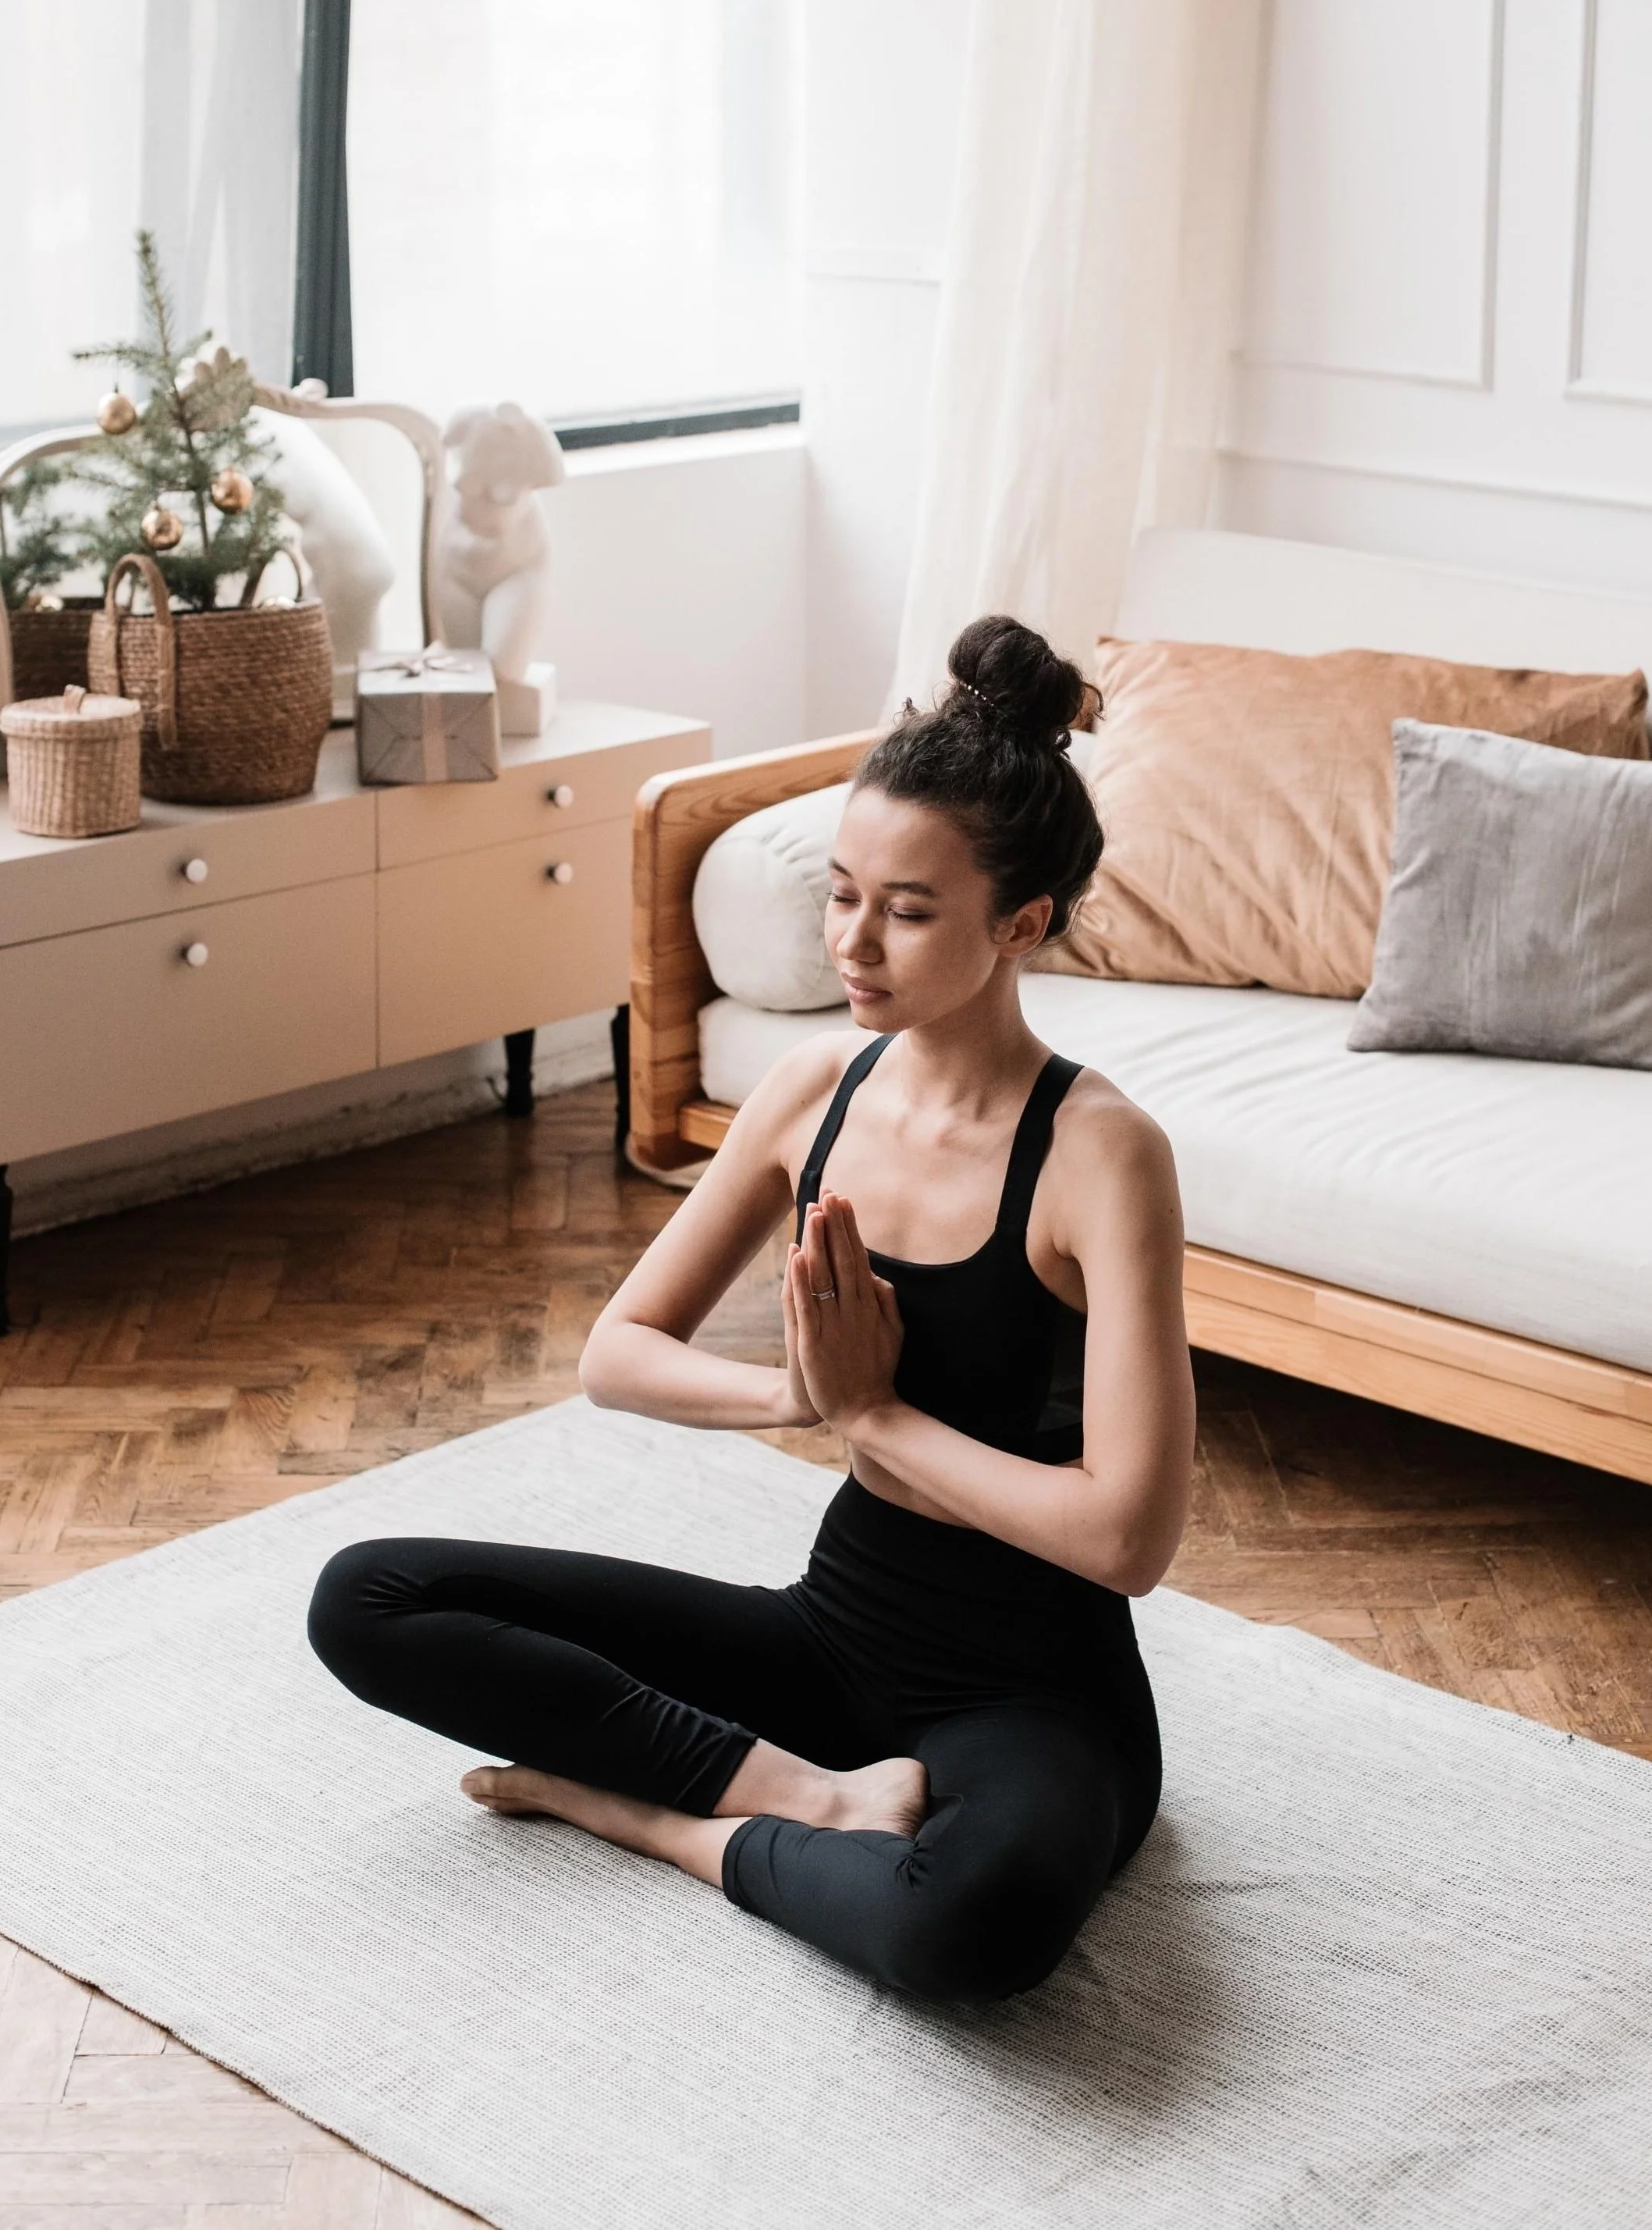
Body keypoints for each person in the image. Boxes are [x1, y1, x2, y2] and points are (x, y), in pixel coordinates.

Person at [307, 615, 1195, 2003]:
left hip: (1037, 1694)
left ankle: (657, 1815)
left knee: (974, 1929)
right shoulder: (810, 1093)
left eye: (907, 910)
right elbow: (618, 1355)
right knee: (368, 1596)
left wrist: (875, 1414)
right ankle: (798, 1793)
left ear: (1020, 923)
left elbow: (1128, 1537)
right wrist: (795, 1397)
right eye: (843, 892)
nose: (853, 941)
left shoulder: (1102, 1153)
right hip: (833, 1633)